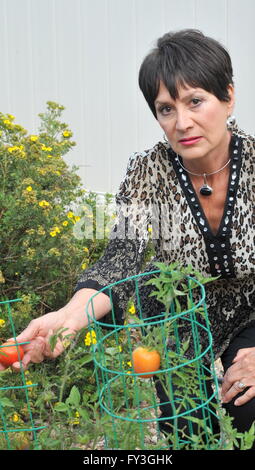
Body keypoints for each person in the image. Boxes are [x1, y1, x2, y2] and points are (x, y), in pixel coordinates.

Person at [2, 29, 254, 443]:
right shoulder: (148, 171)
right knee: (187, 428)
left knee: (248, 405)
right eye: (165, 108)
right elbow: (120, 258)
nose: (182, 122)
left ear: (228, 96)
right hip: (177, 317)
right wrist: (67, 318)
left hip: (249, 312)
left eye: (195, 101)